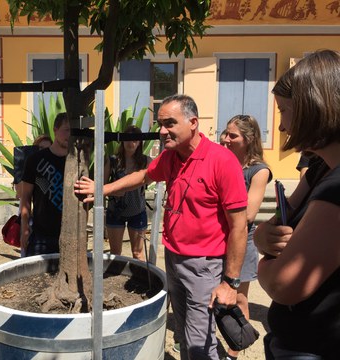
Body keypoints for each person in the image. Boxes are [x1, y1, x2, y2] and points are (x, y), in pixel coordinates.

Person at [75, 94, 248, 359]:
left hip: (204, 265)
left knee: (200, 340)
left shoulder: (222, 162)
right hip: (174, 258)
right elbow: (143, 176)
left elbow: (239, 226)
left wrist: (230, 282)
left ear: (193, 123)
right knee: (183, 332)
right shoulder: (171, 157)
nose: (162, 131)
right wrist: (102, 188)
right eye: (160, 124)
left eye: (169, 123)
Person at [255, 49, 340, 359]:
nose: (281, 127)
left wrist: (263, 262)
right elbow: (281, 217)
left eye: (284, 110)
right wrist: (262, 236)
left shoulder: (337, 186)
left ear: (312, 108)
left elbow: (283, 284)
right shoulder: (320, 167)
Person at [222, 114, 272, 360]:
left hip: (242, 240)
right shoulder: (223, 161)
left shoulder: (259, 171)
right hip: (217, 239)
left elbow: (249, 214)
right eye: (226, 133)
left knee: (239, 297)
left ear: (249, 138)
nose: (225, 139)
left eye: (233, 135)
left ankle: (235, 348)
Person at [20, 113, 70, 256]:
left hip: (69, 234)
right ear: (55, 130)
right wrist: (24, 227)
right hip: (40, 235)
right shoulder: (35, 160)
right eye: (66, 129)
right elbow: (26, 196)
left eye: (72, 130)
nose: (69, 134)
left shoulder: (78, 162)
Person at [105, 125, 152, 260]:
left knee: (138, 253)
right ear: (122, 141)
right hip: (115, 211)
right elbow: (101, 185)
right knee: (115, 253)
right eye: (127, 139)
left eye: (135, 140)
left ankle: (141, 279)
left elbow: (154, 178)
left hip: (137, 211)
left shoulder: (146, 161)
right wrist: (113, 191)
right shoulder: (112, 160)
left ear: (139, 143)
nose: (131, 143)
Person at [14, 134, 53, 199]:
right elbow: (20, 194)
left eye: (47, 149)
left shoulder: (55, 168)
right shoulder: (29, 167)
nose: (44, 152)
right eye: (41, 148)